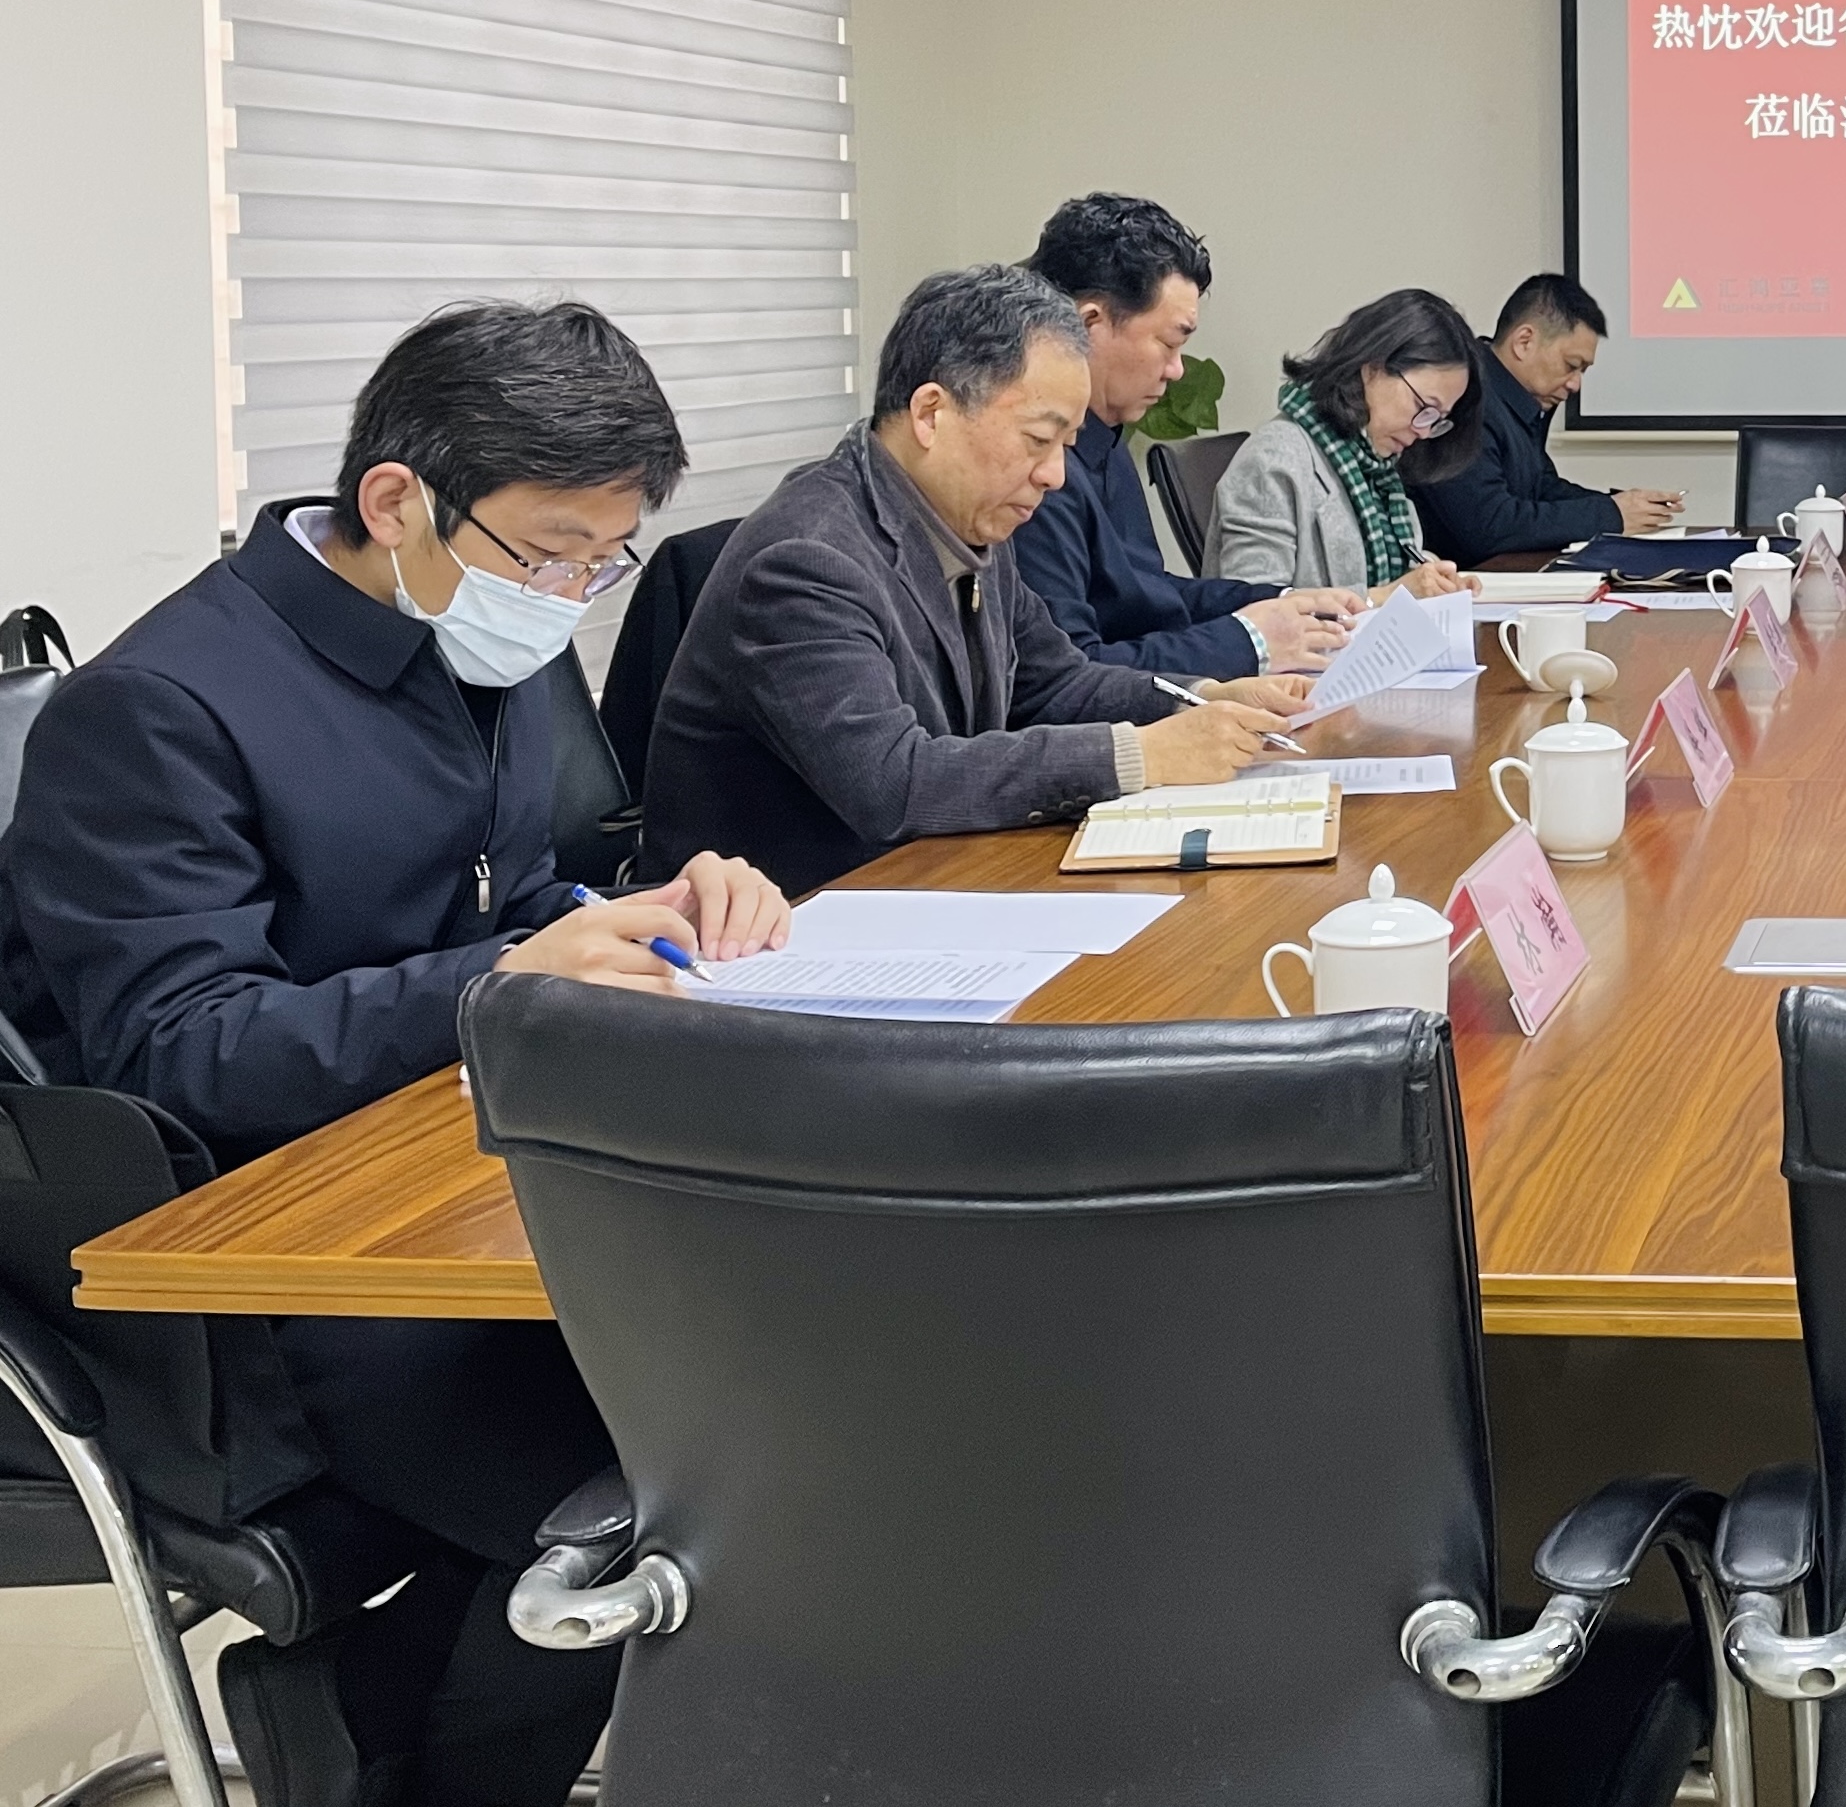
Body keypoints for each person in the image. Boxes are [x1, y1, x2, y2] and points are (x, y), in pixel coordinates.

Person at [0, 302, 790, 1807]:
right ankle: (393, 1741)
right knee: (686, 1500)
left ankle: (372, 1708)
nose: (569, 594)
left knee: (767, 1383)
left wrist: (637, 913)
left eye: (603, 559)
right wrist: (501, 974)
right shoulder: (159, 709)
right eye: (550, 551)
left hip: (449, 1177)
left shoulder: (466, 630)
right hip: (267, 1272)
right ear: (395, 500)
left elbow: (503, 889)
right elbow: (179, 1048)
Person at [642, 265, 1307, 896]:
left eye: (1066, 446)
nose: (1054, 475)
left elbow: (1055, 682)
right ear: (932, 413)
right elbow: (893, 781)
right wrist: (1138, 755)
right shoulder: (804, 561)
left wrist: (1199, 700)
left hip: (936, 883)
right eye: (1038, 439)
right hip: (788, 920)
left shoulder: (970, 518)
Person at [1010, 193, 1362, 680]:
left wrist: (1283, 603)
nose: (1177, 370)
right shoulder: (1036, 471)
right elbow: (1072, 674)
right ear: (1089, 325)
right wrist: (1252, 641)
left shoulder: (1105, 437)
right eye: (1169, 343)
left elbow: (1147, 593)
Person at [1213, 289, 1490, 594]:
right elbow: (1253, 606)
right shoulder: (1273, 460)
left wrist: (1434, 579)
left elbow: (1375, 569)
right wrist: (1384, 597)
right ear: (1373, 368)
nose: (1424, 432)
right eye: (1423, 407)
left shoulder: (1374, 467)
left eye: (1438, 418)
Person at [1410, 272, 1684, 561]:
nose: (1575, 384)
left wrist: (1622, 505)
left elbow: (1540, 487)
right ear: (1524, 342)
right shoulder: (1465, 397)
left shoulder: (1521, 399)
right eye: (1571, 365)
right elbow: (1490, 525)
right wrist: (1610, 514)